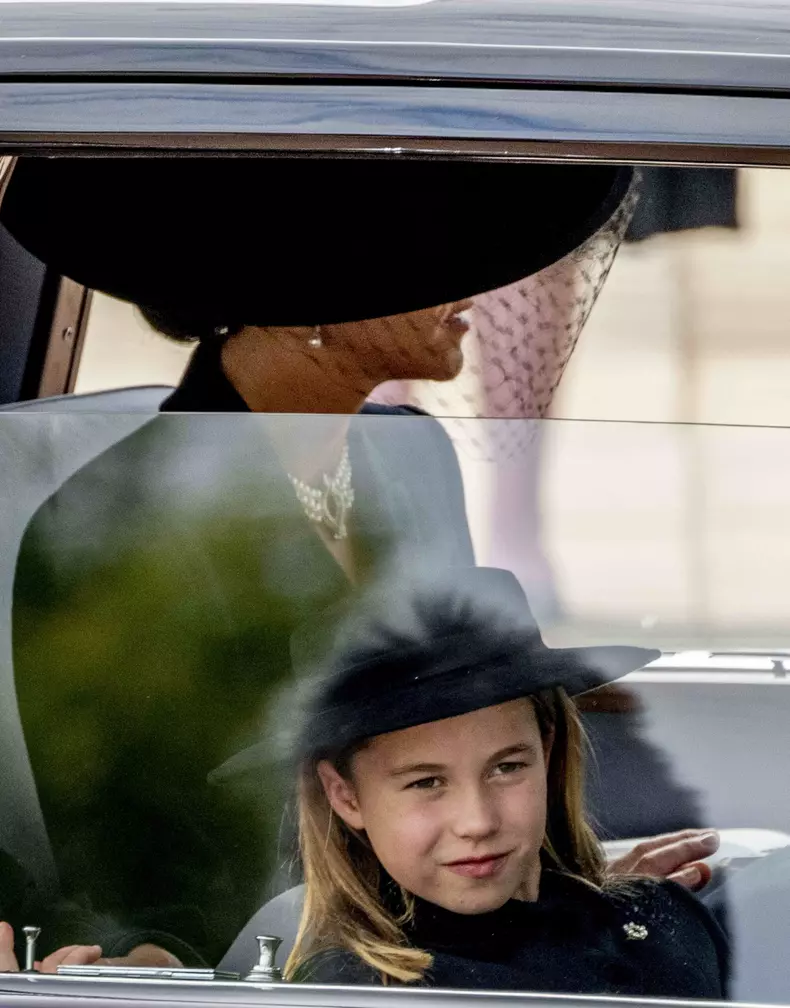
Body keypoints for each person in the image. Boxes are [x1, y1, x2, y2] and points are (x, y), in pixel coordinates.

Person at [0, 157, 715, 969]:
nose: (475, 286)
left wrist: (551, 883)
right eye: (428, 254)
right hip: (269, 963)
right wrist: (152, 962)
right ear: (312, 297)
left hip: (433, 937)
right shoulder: (126, 517)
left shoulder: (413, 455)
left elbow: (456, 727)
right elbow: (116, 844)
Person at [283, 567, 728, 996]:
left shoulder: (666, 921)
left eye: (507, 768)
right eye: (425, 783)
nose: (477, 822)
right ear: (345, 795)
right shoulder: (353, 990)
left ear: (547, 752)